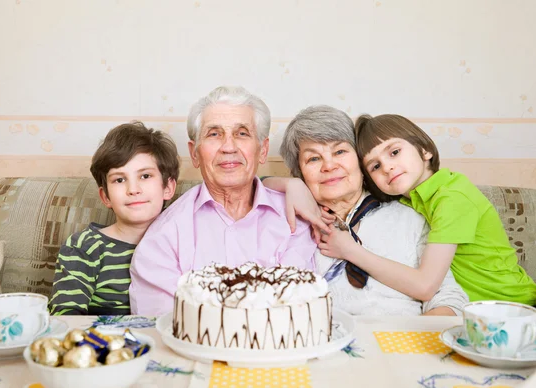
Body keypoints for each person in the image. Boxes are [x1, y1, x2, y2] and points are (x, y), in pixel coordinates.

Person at [129, 86, 317, 316]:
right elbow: (162, 327)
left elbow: (299, 311)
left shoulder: (296, 220)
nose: (228, 147)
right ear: (195, 153)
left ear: (263, 150)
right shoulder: (165, 236)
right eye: (214, 134)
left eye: (242, 133)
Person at [265, 105, 468, 316]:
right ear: (300, 173)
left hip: (405, 338)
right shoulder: (289, 223)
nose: (329, 166)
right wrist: (288, 184)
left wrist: (412, 343)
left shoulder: (410, 217)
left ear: (361, 163)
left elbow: (448, 297)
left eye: (340, 151)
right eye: (313, 159)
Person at [344, 113, 536, 305]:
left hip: (510, 306)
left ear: (424, 150)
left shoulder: (452, 197)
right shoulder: (406, 203)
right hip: (464, 311)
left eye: (394, 152)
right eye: (375, 166)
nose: (387, 167)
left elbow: (425, 286)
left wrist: (349, 250)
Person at [48, 122, 180, 315]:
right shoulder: (84, 247)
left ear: (167, 187)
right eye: (119, 179)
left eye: (145, 176)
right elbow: (65, 317)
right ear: (106, 197)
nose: (133, 189)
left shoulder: (181, 243)